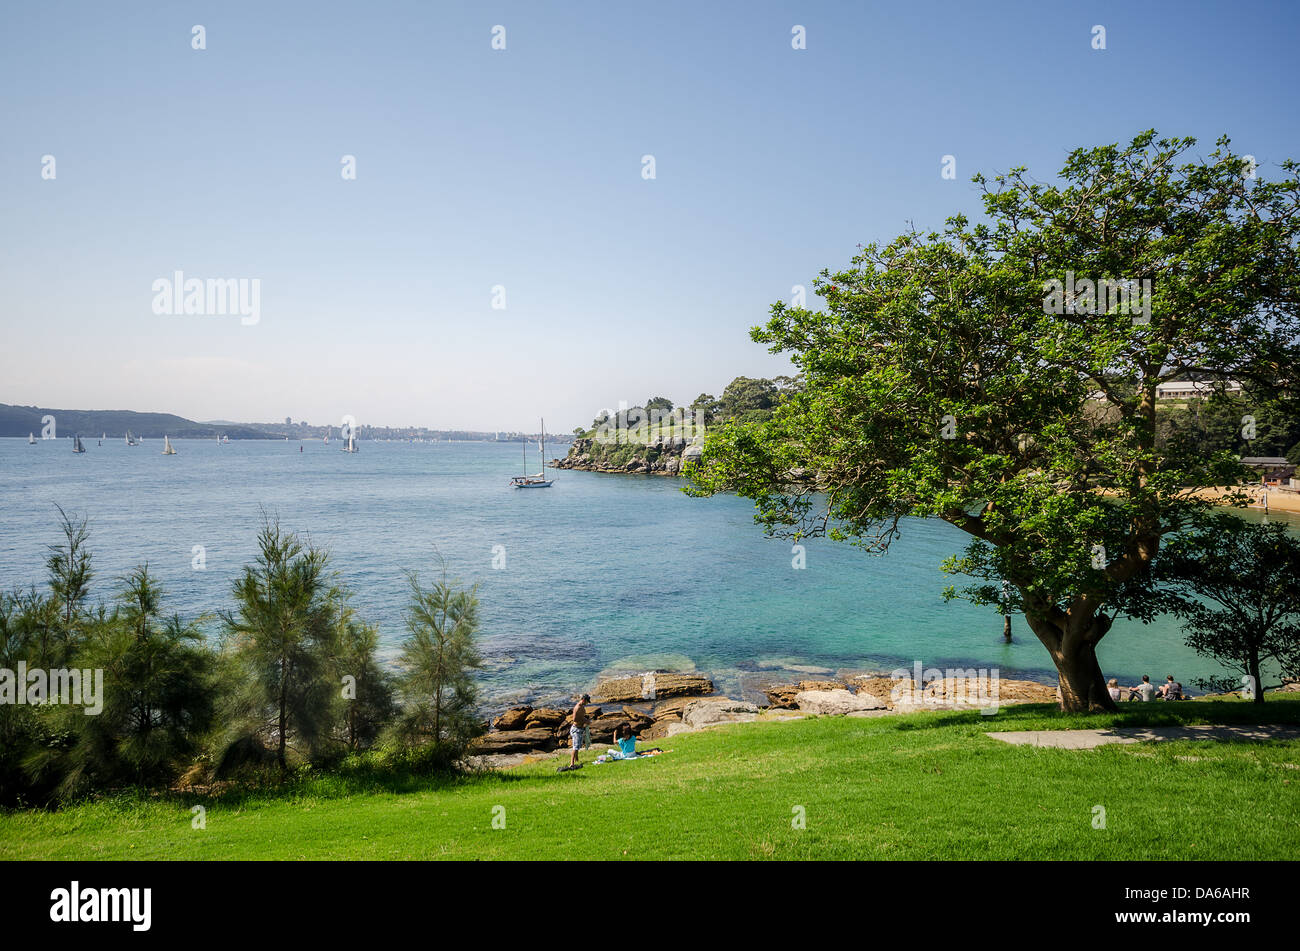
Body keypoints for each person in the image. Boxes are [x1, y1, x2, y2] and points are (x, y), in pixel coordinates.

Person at [566, 694, 591, 769]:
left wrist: (585, 720)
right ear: (584, 700)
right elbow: (574, 719)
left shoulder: (582, 706)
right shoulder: (577, 707)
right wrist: (585, 720)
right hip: (576, 729)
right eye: (587, 702)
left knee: (578, 746)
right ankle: (571, 764)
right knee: (575, 747)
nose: (587, 703)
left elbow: (581, 716)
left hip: (579, 729)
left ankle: (576, 760)